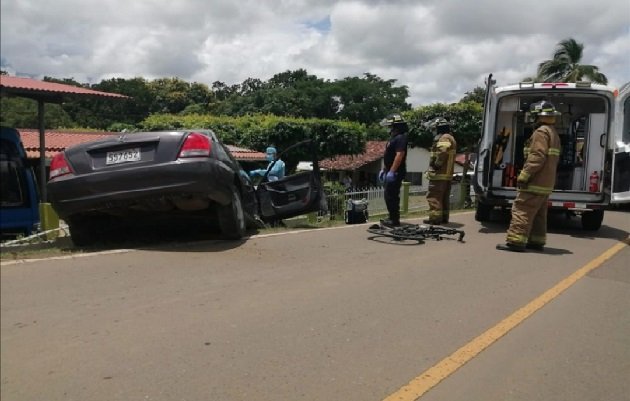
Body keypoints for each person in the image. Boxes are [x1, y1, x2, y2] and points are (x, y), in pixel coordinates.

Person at [496, 100, 562, 252]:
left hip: (535, 181)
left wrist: (525, 175)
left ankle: (515, 242)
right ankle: (536, 241)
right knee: (539, 214)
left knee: (522, 209)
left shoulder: (540, 132)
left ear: (537, 116)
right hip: (546, 183)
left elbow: (537, 156)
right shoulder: (553, 133)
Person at [424, 118, 457, 224]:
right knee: (443, 197)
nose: (433, 131)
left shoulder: (444, 138)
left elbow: (442, 152)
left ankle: (435, 219)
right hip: (447, 174)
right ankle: (443, 218)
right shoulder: (451, 137)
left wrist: (436, 165)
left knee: (434, 196)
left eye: (434, 128)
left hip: (439, 173)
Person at [379, 113, 409, 227]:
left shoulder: (401, 137)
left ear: (396, 126)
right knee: (389, 195)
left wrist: (392, 171)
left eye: (390, 126)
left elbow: (399, 155)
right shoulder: (393, 138)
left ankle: (394, 220)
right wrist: (384, 169)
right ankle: (392, 217)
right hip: (390, 170)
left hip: (396, 171)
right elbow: (389, 156)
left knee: (391, 195)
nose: (389, 128)